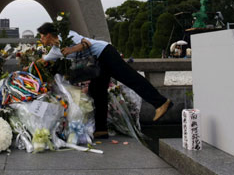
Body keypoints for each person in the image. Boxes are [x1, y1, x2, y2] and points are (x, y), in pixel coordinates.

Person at [37, 22, 173, 138]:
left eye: (42, 36)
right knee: (97, 91)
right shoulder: (55, 50)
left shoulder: (67, 36)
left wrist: (70, 49)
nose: (41, 39)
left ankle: (161, 102)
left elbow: (86, 43)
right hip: (98, 62)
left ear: (48, 34)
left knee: (130, 78)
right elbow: (43, 60)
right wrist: (28, 65)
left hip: (106, 53)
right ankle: (101, 130)